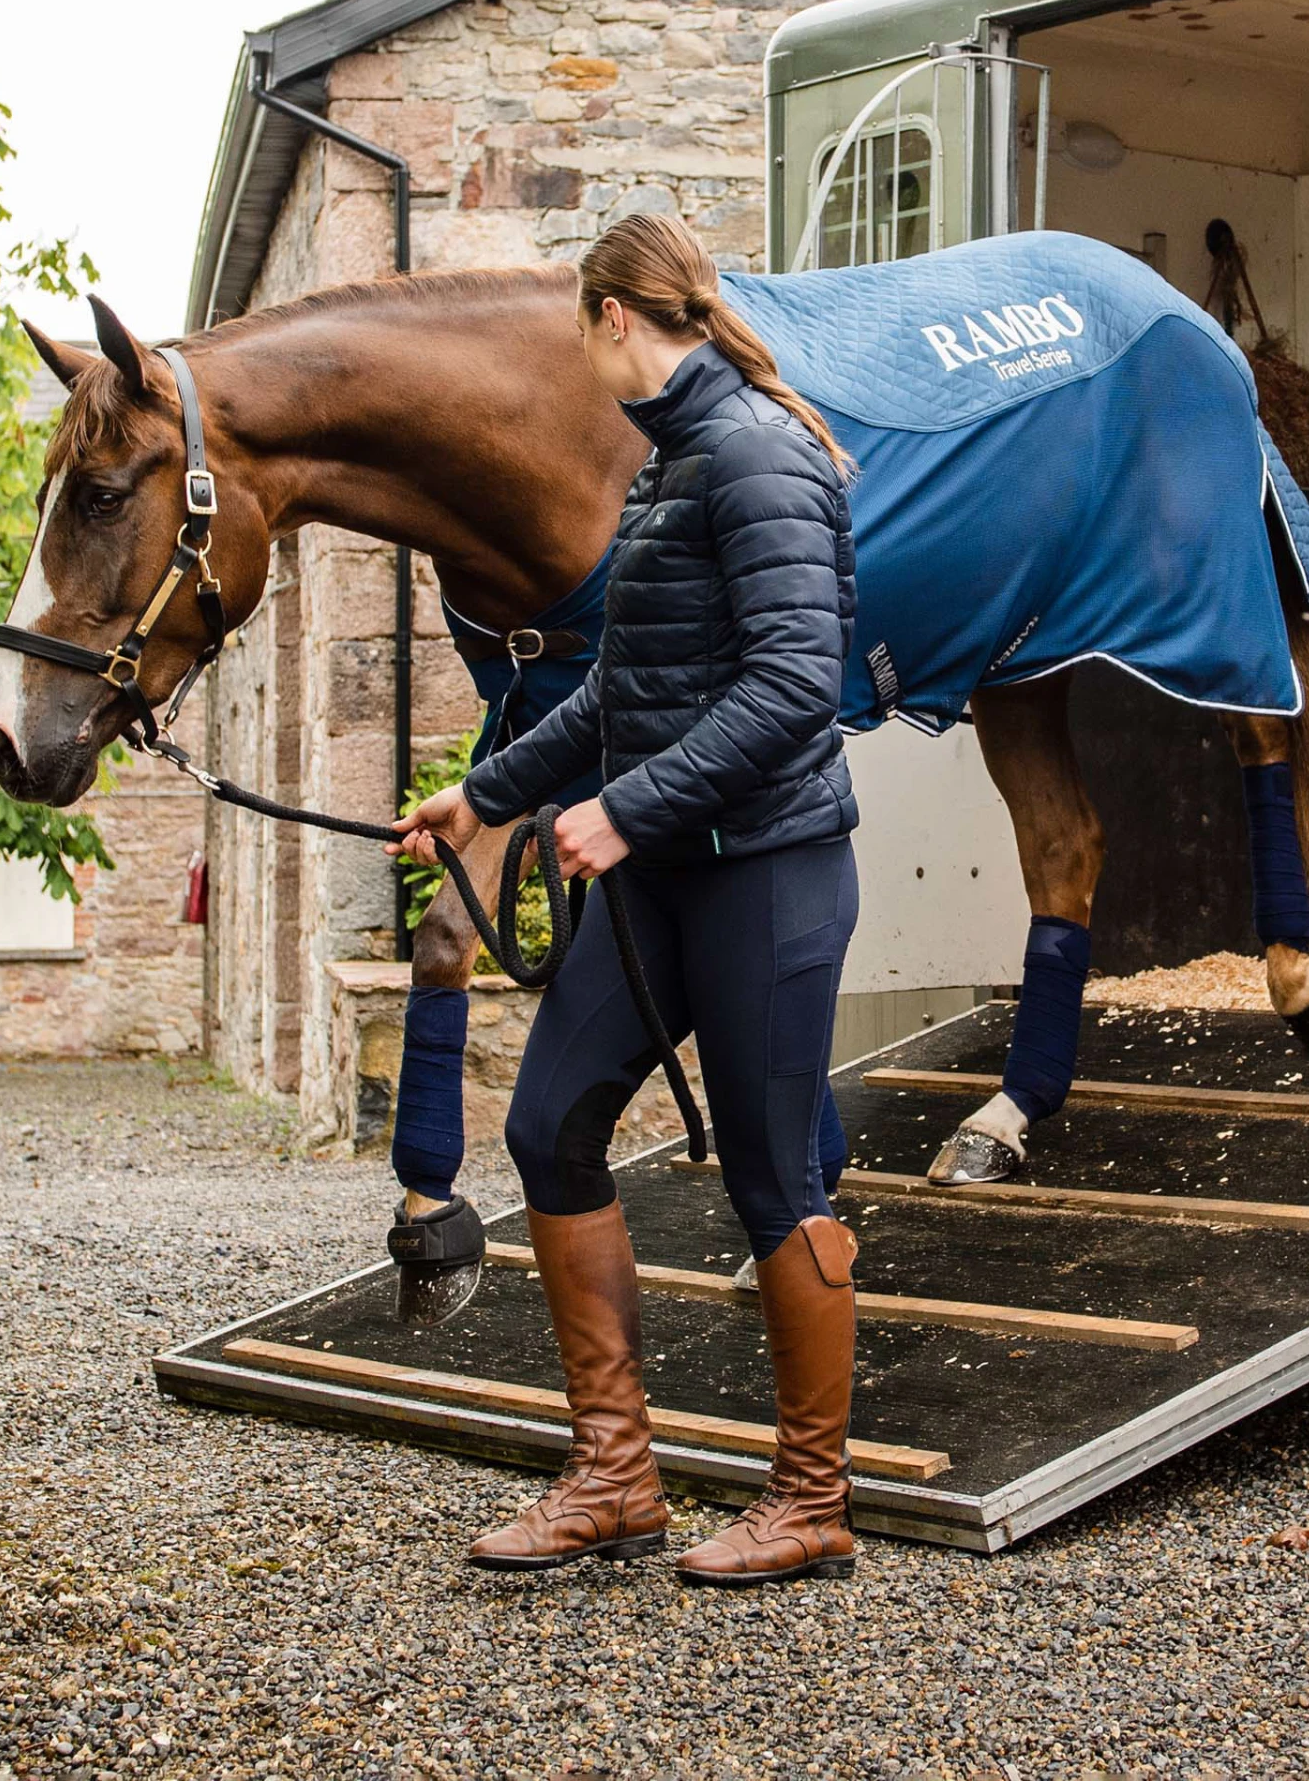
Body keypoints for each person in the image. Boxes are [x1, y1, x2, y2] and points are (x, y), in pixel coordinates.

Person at [389, 212, 862, 1587]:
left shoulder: (758, 453)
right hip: (659, 875)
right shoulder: (670, 463)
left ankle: (812, 1498)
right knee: (549, 1127)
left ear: (612, 317)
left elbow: (796, 686)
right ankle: (615, 1475)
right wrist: (487, 796)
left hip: (766, 873)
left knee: (774, 1177)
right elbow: (618, 689)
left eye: (578, 332)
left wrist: (624, 809)